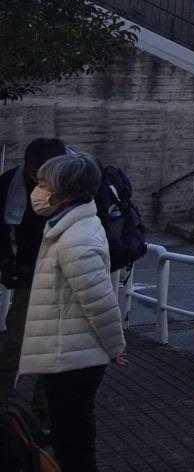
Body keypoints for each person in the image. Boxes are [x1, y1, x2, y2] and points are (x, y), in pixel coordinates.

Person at [19, 153, 126, 472]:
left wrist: (116, 347)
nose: (37, 191)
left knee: (73, 439)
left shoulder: (75, 239)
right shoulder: (67, 228)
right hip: (69, 352)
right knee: (71, 433)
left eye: (43, 184)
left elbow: (99, 300)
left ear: (63, 192)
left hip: (74, 359)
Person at [0, 137, 69, 413]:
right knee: (17, 341)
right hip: (30, 273)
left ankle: (43, 408)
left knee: (53, 346)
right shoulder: (10, 185)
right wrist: (8, 264)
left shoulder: (75, 183)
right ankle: (6, 403)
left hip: (62, 272)